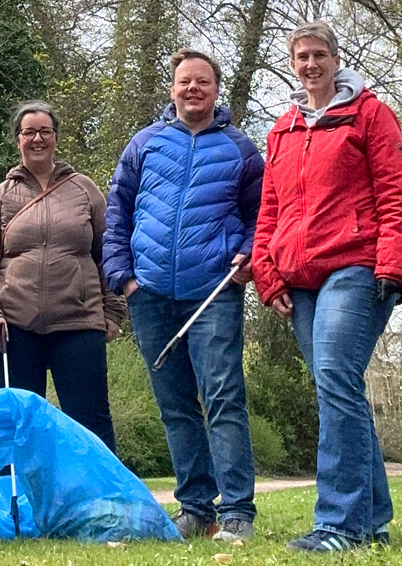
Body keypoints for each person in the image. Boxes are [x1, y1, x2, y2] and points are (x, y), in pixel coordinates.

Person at [251, 20, 402, 552]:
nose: (310, 64)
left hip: (356, 267)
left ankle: (339, 525)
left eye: (319, 54)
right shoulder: (283, 130)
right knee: (338, 387)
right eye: (301, 56)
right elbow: (270, 210)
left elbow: (395, 192)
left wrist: (393, 264)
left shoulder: (369, 114)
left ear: (335, 59)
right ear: (292, 65)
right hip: (298, 279)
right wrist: (266, 273)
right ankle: (372, 521)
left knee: (334, 379)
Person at [103, 49, 263, 542]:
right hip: (149, 294)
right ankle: (195, 508)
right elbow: (117, 210)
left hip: (214, 294)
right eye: (184, 81)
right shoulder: (145, 143)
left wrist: (249, 256)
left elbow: (262, 216)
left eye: (203, 82)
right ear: (172, 89)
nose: (193, 89)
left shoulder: (241, 149)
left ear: (216, 90)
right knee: (174, 406)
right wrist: (123, 277)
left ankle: (236, 512)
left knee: (223, 399)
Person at [0, 100, 127, 453]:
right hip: (15, 326)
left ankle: (98, 489)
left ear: (56, 137)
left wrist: (114, 309)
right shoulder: (0, 196)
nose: (37, 139)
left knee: (90, 422)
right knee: (19, 426)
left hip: (79, 321)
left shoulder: (84, 189)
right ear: (18, 139)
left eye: (45, 131)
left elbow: (108, 251)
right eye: (29, 132)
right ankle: (20, 490)